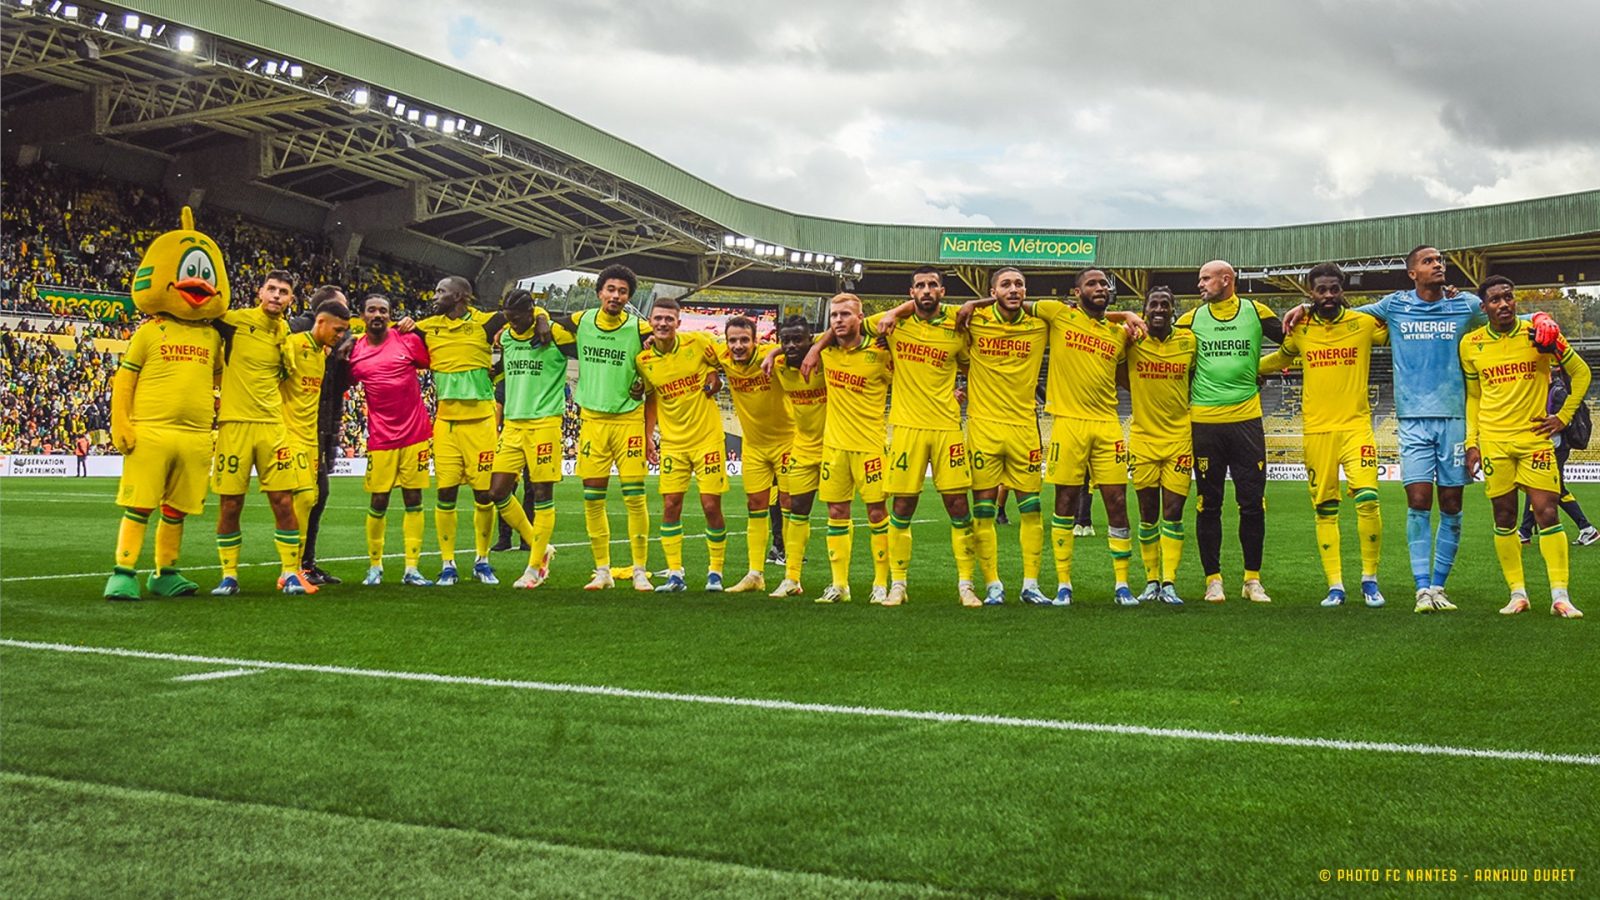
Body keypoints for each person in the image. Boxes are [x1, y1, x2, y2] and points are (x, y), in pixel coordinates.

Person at [1290, 246, 1560, 612]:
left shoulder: (1464, 304)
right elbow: (1340, 315)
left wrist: (1541, 315)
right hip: (1412, 420)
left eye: (1441, 261)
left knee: (1451, 503)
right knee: (1417, 501)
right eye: (1429, 261)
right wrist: (1305, 308)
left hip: (1453, 419)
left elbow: (1505, 315)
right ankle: (1420, 590)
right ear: (1412, 272)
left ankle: (1438, 587)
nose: (1438, 265)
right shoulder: (1393, 306)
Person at [103, 207, 227, 601]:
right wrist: (121, 422)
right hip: (151, 430)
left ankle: (165, 571)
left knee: (176, 510)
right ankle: (123, 571)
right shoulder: (148, 332)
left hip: (195, 437)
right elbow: (125, 380)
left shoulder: (212, 339)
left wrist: (224, 422)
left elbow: (224, 380)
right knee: (140, 505)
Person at [1257, 264, 1386, 608]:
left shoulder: (1363, 324)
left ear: (1343, 289)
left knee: (1369, 499)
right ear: (1310, 293)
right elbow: (1282, 357)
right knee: (1325, 508)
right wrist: (1243, 370)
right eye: (1320, 290)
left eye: (1333, 289)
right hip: (1316, 431)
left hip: (1357, 427)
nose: (1327, 296)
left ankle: (1370, 581)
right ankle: (1335, 586)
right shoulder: (1300, 328)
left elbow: (1402, 325)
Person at [1460, 275, 1588, 618]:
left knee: (1546, 512)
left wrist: (1562, 416)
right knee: (1504, 516)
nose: (1504, 304)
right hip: (1493, 441)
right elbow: (1474, 397)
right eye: (1495, 300)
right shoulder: (1471, 344)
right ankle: (1517, 594)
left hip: (1535, 441)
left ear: (1515, 301)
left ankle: (1560, 595)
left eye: (1508, 297)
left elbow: (1582, 372)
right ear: (1484, 307)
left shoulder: (1540, 335)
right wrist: (1471, 442)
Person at [863, 267, 978, 607]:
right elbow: (852, 323)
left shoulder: (958, 328)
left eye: (932, 285)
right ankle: (898, 584)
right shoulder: (893, 325)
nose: (927, 290)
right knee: (902, 506)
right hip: (907, 428)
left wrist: (962, 389)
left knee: (958, 506)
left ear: (942, 291)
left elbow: (973, 368)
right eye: (920, 286)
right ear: (911, 292)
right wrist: (897, 311)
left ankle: (966, 585)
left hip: (947, 428)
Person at [1178, 260, 1284, 604]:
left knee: (1252, 504)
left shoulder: (1256, 311)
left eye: (1206, 278)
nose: (1201, 284)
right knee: (1208, 503)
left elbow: (1295, 342)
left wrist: (1260, 366)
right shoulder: (1191, 320)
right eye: (1200, 279)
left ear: (1227, 279)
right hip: (1204, 423)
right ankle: (1213, 580)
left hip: (1246, 421)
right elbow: (1160, 345)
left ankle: (1252, 580)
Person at [1033, 270, 1140, 606]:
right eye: (1091, 283)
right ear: (1075, 291)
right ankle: (1064, 584)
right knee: (1065, 502)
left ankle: (1122, 585)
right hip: (1068, 423)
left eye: (1103, 284)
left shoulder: (1118, 334)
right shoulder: (1057, 313)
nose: (1099, 288)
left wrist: (1127, 317)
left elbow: (1127, 374)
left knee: (1118, 503)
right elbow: (1012, 301)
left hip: (1108, 425)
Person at [549, 265, 654, 591]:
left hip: (628, 422)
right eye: (611, 289)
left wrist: (642, 386)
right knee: (593, 498)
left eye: (622, 291)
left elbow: (660, 360)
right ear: (599, 292)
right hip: (592, 420)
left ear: (629, 296)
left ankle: (639, 570)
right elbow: (546, 328)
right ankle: (602, 570)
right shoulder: (581, 321)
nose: (616, 296)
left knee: (635, 499)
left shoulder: (640, 328)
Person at [210, 270, 311, 596]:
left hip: (272, 427)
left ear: (291, 300)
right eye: (272, 289)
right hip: (234, 425)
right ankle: (229, 575)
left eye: (284, 291)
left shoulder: (285, 335)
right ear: (259, 292)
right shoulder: (233, 321)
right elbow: (198, 315)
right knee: (230, 504)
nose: (277, 295)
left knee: (283, 502)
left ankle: (290, 573)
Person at [404, 276, 507, 586]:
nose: (435, 296)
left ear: (461, 296)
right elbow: (386, 334)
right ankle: (447, 563)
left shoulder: (486, 322)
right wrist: (402, 324)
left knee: (484, 494)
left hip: (481, 422)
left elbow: (526, 311)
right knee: (445, 493)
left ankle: (482, 560)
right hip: (446, 423)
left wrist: (541, 320)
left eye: (441, 291)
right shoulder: (428, 326)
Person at [959, 266, 1048, 605]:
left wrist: (1128, 311)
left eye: (1020, 284)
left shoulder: (1041, 324)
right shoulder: (974, 321)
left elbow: (1085, 314)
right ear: (992, 291)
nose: (1014, 289)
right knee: (983, 511)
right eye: (1006, 284)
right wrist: (973, 304)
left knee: (1032, 510)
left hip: (1025, 429)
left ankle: (1031, 584)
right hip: (983, 429)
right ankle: (993, 583)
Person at [633, 298, 727, 592]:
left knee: (711, 505)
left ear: (678, 323)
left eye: (668, 319)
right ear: (650, 320)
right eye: (658, 318)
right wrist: (648, 436)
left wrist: (713, 382)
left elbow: (719, 373)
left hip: (707, 438)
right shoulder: (644, 360)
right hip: (673, 443)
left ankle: (715, 573)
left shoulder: (698, 343)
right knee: (671, 505)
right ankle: (675, 574)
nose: (662, 324)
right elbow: (651, 399)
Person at [348, 294, 434, 587]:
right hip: (381, 438)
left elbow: (431, 358)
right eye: (371, 309)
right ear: (362, 315)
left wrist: (418, 329)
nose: (377, 314)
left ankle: (412, 568)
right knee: (379, 500)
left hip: (416, 434)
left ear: (390, 315)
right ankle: (375, 566)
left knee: (414, 499)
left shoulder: (407, 340)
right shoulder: (355, 351)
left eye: (383, 310)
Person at [812, 294, 893, 604]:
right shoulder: (827, 352)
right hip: (834, 447)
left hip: (870, 446)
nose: (838, 320)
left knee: (876, 513)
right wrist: (817, 348)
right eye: (834, 315)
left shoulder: (881, 355)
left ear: (861, 319)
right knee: (836, 512)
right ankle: (839, 585)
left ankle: (881, 583)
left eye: (846, 314)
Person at [487, 289, 567, 588]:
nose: (512, 324)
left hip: (545, 422)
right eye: (508, 318)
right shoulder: (506, 337)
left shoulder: (555, 334)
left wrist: (545, 317)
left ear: (531, 311)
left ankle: (534, 569)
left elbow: (575, 332)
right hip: (513, 425)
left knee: (543, 495)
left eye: (517, 318)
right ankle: (539, 544)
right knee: (497, 492)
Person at [1122, 286, 1194, 606]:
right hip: (1143, 439)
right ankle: (1151, 580)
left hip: (1180, 438)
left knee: (1174, 512)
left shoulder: (1189, 341)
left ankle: (1170, 582)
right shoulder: (1131, 341)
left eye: (1166, 304)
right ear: (1144, 309)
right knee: (1148, 514)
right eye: (1154, 304)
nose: (1160, 309)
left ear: (1173, 309)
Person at [279, 291, 352, 592]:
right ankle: (293, 568)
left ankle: (302, 565)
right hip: (291, 432)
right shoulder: (296, 336)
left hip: (317, 431)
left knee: (315, 496)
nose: (343, 330)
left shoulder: (327, 349)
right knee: (307, 497)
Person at [715, 316, 794, 594]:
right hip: (754, 445)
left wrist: (775, 351)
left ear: (756, 340)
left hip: (787, 441)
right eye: (733, 340)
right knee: (755, 505)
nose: (738, 346)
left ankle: (792, 576)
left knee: (789, 506)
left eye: (744, 340)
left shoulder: (771, 356)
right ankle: (755, 574)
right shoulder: (721, 357)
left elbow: (807, 342)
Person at [762, 316, 828, 598]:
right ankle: (792, 579)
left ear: (811, 338)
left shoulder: (828, 356)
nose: (791, 345)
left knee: (843, 511)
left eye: (797, 339)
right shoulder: (778, 366)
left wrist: (815, 350)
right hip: (802, 445)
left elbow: (840, 332)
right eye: (785, 340)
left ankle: (850, 583)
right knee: (797, 510)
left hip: (837, 443)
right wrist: (773, 351)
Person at [1518, 370, 1598, 545]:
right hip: (1547, 446)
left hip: (1557, 447)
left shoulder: (1557, 391)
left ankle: (1587, 528)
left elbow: (1565, 420)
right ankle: (1524, 531)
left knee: (1552, 488)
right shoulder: (1547, 390)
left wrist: (1551, 421)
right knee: (1536, 485)